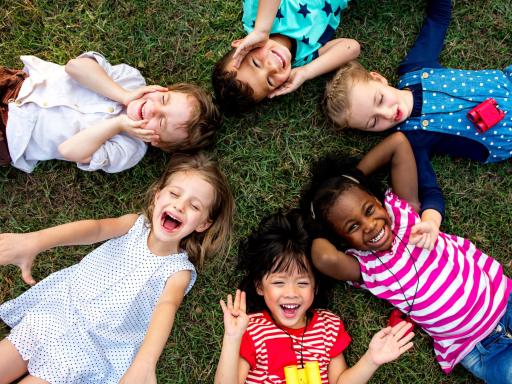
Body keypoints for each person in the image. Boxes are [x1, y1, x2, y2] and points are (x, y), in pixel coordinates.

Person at [0, 152, 234, 384]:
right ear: (157, 196)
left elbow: (167, 308)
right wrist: (36, 241)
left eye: (194, 206)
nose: (180, 205)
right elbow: (95, 229)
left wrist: (145, 362)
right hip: (58, 311)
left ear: (204, 224)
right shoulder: (134, 225)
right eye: (174, 193)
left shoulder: (178, 271)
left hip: (90, 349)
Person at [301, 132, 512, 382]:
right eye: (352, 227)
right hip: (476, 347)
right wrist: (313, 225)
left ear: (379, 201)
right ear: (343, 240)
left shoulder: (404, 212)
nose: (369, 225)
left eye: (369, 210)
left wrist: (354, 177)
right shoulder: (364, 267)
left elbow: (398, 143)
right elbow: (324, 258)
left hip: (504, 299)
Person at [324, 0, 512, 221]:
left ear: (378, 78)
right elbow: (429, 189)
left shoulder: (415, 67)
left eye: (380, 99)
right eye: (374, 122)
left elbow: (437, 20)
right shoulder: (412, 140)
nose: (386, 113)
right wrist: (431, 220)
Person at [215, 210, 414, 384]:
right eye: (278, 282)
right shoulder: (251, 329)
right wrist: (232, 338)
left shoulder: (328, 326)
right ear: (259, 286)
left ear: (316, 286)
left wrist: (371, 359)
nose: (291, 293)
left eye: (302, 283)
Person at [0, 52, 220, 173]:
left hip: (12, 137)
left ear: (158, 142)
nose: (153, 108)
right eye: (163, 99)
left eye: (160, 122)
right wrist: (123, 96)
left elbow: (68, 150)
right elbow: (75, 67)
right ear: (162, 88)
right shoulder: (130, 80)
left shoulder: (128, 150)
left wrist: (118, 125)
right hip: (17, 85)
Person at [212, 0, 360, 114]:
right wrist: (306, 72)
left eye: (256, 63)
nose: (272, 67)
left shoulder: (255, 18)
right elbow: (352, 47)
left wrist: (262, 30)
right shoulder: (304, 58)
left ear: (242, 45)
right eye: (269, 81)